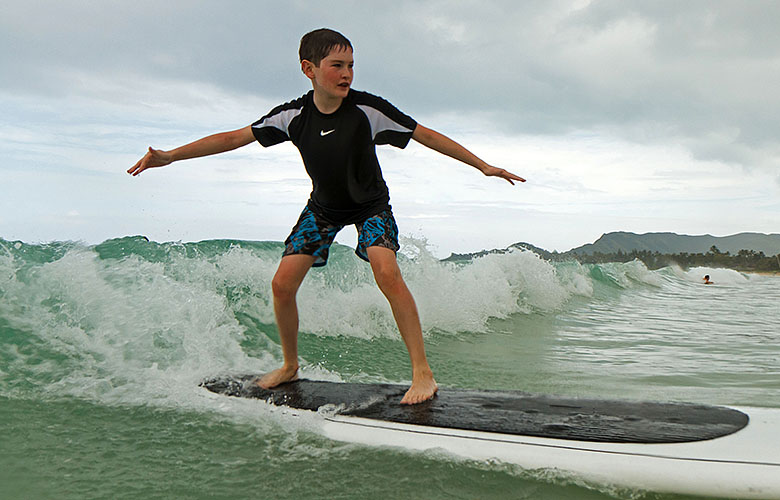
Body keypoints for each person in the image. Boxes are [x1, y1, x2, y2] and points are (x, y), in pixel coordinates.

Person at [127, 28, 525, 404]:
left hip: (371, 206)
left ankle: (423, 372)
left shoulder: (368, 110)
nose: (347, 74)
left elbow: (427, 135)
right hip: (323, 209)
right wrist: (170, 156)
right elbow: (233, 138)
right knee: (282, 285)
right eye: (337, 65)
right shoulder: (293, 116)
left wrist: (483, 166)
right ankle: (290, 364)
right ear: (309, 69)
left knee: (386, 272)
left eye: (351, 65)